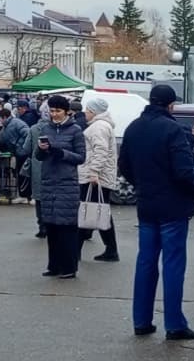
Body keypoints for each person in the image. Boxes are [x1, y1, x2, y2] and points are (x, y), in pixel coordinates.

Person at [118, 84, 194, 341]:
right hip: (173, 205)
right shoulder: (173, 129)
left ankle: (141, 320)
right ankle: (174, 324)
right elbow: (184, 172)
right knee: (173, 264)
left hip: (146, 203)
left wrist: (142, 184)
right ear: (171, 105)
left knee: (146, 261)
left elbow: (124, 165)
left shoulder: (133, 128)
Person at [34, 94, 86, 279]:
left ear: (66, 112)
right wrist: (42, 150)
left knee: (66, 227)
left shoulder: (75, 130)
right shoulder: (45, 128)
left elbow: (81, 157)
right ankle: (54, 265)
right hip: (49, 182)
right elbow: (38, 156)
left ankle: (69, 267)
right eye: (52, 111)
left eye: (58, 111)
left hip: (67, 183)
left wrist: (61, 153)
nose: (54, 114)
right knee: (51, 226)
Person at [78, 95, 120, 263]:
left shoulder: (99, 126)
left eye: (87, 110)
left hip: (96, 178)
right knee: (100, 212)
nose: (85, 113)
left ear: (94, 111)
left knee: (87, 211)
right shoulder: (102, 125)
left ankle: (75, 251)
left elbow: (100, 150)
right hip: (100, 176)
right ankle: (111, 249)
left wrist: (93, 171)